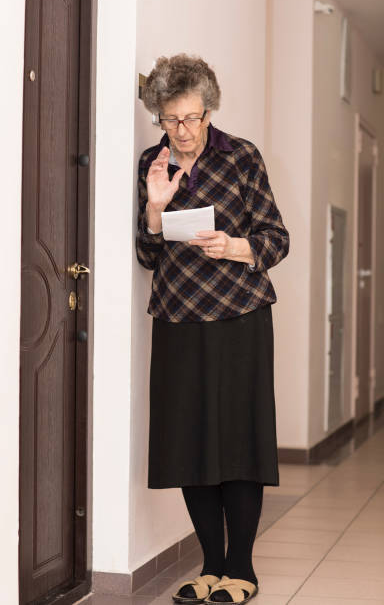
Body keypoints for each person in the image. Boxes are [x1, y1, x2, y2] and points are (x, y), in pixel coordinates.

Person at [135, 53, 290, 605]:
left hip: (240, 318)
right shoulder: (152, 164)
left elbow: (277, 237)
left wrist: (236, 246)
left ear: (209, 111)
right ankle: (210, 566)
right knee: (189, 442)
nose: (182, 132)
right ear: (159, 118)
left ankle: (241, 569)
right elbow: (147, 254)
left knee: (239, 442)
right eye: (170, 121)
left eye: (192, 118)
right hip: (178, 318)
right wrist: (156, 209)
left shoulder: (242, 157)